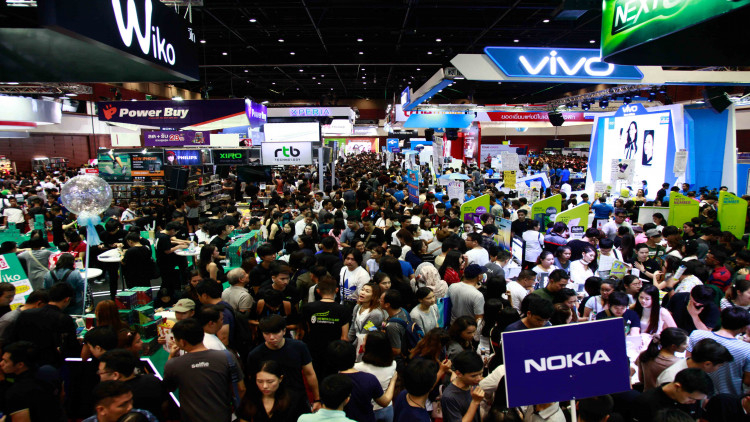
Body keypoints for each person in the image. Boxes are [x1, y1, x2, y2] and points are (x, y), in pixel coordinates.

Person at [163, 318, 246, 422]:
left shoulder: (173, 364)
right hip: (223, 417)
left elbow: (168, 388)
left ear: (182, 342)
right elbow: (241, 389)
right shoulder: (227, 356)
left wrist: (171, 356)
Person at [247, 314, 321, 410]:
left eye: (276, 333)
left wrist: (317, 399)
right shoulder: (255, 355)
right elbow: (252, 381)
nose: (271, 337)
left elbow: (309, 374)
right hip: (271, 401)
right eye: (267, 333)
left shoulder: (299, 347)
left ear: (284, 331)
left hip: (297, 399)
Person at [6, 282, 79, 368]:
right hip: (50, 364)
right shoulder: (64, 319)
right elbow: (71, 346)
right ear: (67, 299)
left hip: (26, 362)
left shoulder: (25, 314)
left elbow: (13, 338)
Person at [327, 340, 397, 422]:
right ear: (354, 356)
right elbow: (385, 402)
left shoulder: (329, 384)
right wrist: (393, 381)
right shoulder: (369, 379)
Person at [686, 306, 750, 396]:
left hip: (694, 392)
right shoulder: (747, 349)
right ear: (744, 327)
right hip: (728, 397)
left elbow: (688, 361)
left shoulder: (696, 335)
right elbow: (748, 381)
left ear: (721, 319)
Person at [300, 277, 351, 381]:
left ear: (318, 291)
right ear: (336, 290)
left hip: (313, 348)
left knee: (315, 376)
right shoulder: (344, 310)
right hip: (334, 350)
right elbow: (344, 337)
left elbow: (304, 330)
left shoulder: (307, 308)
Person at [0, 340, 65, 421]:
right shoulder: (49, 375)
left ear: (20, 365)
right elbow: (62, 396)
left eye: (5, 361)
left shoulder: (17, 392)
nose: (1, 364)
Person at [98, 349, 166, 420]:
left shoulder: (113, 397)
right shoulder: (153, 380)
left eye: (100, 372)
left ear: (115, 375)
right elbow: (165, 405)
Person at [237, 360, 311, 422]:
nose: (264, 386)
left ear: (280, 379)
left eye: (270, 381)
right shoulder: (250, 398)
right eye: (260, 381)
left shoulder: (296, 399)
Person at [632, 368, 714, 422]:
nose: (693, 402)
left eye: (697, 400)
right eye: (691, 398)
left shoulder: (693, 398)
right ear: (677, 386)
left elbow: (696, 418)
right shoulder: (646, 401)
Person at [353, 332, 398, 422]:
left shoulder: (357, 368)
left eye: (364, 341)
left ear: (371, 346)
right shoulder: (393, 364)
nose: (362, 343)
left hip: (368, 410)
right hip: (387, 410)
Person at [656, 338, 733, 385]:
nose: (718, 369)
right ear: (707, 364)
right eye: (719, 366)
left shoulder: (698, 370)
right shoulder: (671, 378)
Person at [441, 351, 484, 422]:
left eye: (481, 373)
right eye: (473, 376)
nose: (479, 378)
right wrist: (475, 402)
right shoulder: (449, 397)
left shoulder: (473, 384)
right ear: (459, 374)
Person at [82, 381, 158, 422]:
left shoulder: (145, 415)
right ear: (101, 410)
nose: (130, 407)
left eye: (130, 400)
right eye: (123, 405)